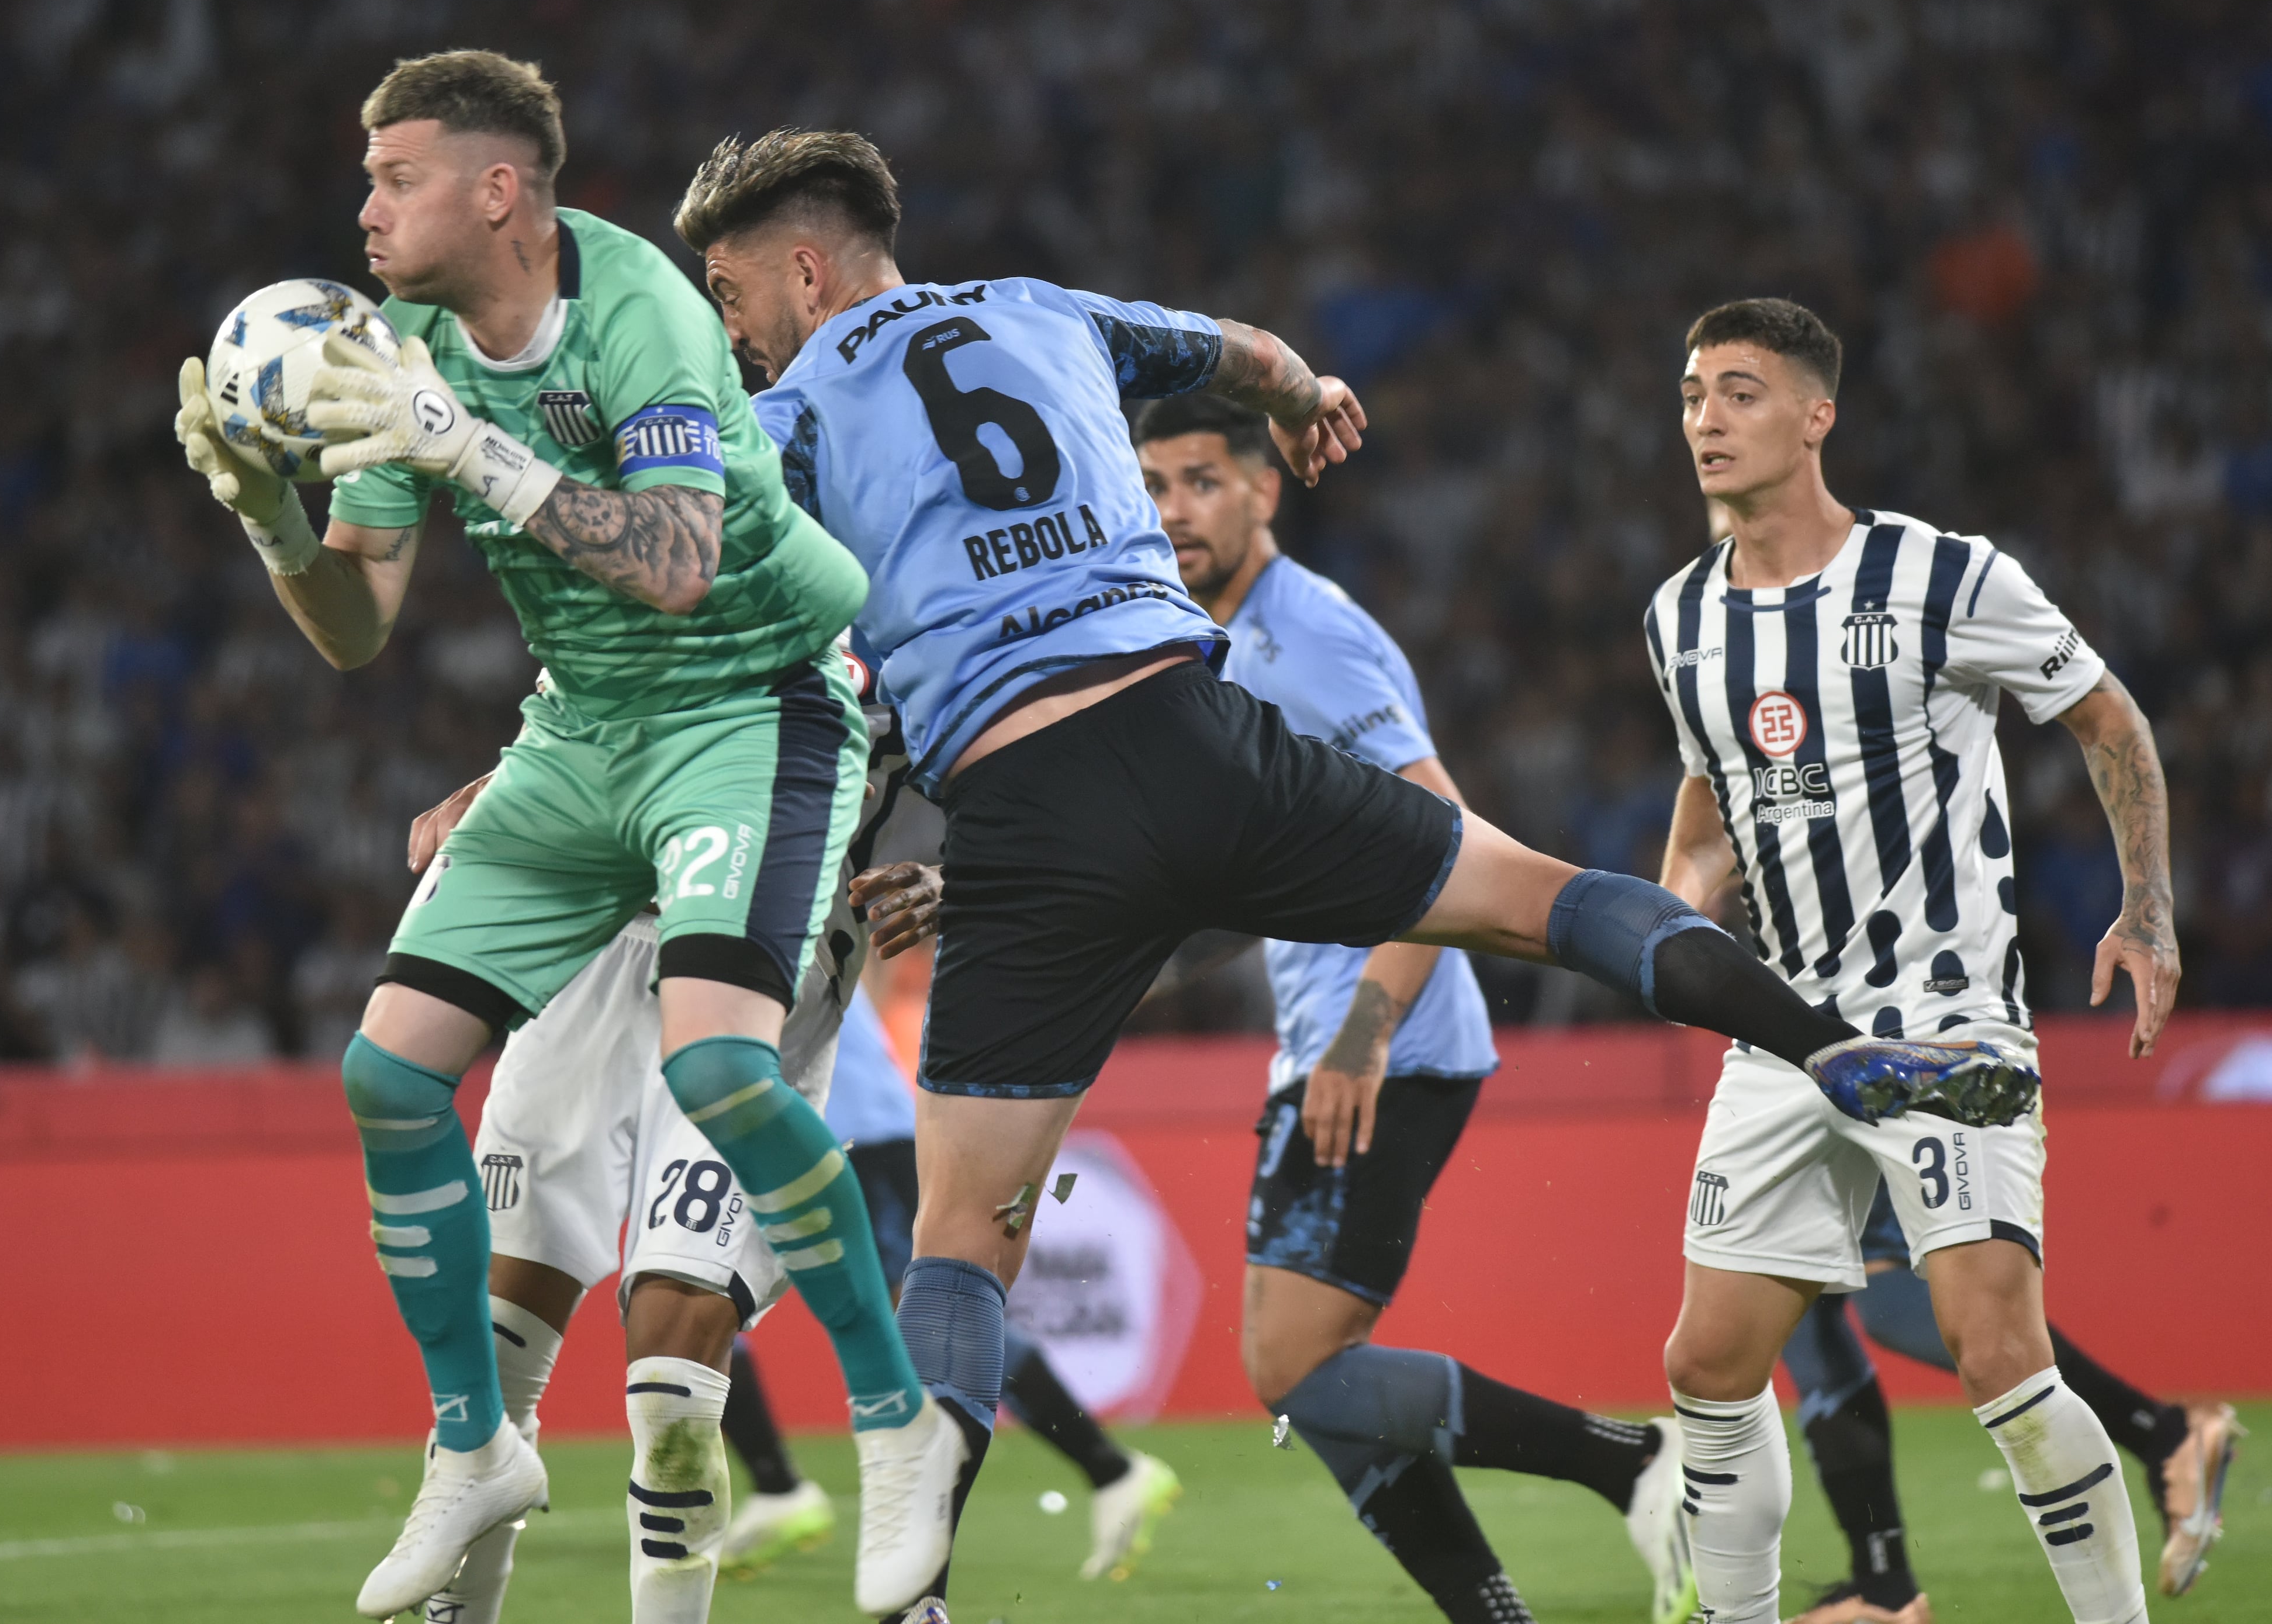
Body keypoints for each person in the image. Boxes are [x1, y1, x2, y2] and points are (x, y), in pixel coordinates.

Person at [682, 129, 2039, 1620]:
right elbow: (1251, 352)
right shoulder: (1044, 309)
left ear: (802, 268)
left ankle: (919, 1588)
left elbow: (700, 601)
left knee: (958, 1236)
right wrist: (1309, 395)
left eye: (732, 291)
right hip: (1200, 733)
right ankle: (1825, 1042)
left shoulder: (788, 412)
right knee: (1535, 892)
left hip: (1019, 807)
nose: (731, 329)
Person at [170, 52, 947, 1622]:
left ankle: (893, 1419)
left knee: (718, 1084)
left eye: (396, 176)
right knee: (388, 1071)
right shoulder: (394, 360)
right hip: (583, 737)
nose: (367, 208)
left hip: (751, 708)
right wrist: (269, 512)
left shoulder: (639, 305)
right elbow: (354, 626)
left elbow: (673, 563)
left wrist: (465, 441)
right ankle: (475, 1450)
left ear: (500, 189)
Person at [1642, 298, 2184, 1624]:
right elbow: (1708, 806)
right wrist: (1677, 905)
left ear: (1817, 416)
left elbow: (2106, 716)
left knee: (1994, 1346)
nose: (1706, 416)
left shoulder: (1945, 575)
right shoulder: (1679, 618)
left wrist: (2147, 907)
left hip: (1945, 1026)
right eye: (1693, 393)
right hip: (1784, 1037)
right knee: (1707, 1361)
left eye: (1741, 391)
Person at [1139, 393, 1694, 1624]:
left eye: (1201, 481)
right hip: (1336, 1040)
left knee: (1288, 1367)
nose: (1175, 509)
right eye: (1156, 485)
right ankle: (1496, 1611)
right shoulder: (1210, 641)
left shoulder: (1310, 639)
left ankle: (1633, 1461)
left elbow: (1438, 834)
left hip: (1383, 1040)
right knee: (1312, 1379)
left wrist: (1359, 1033)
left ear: (1263, 490)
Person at [403, 701, 940, 1624]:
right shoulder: (676, 563)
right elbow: (597, 678)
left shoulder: (924, 602)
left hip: (766, 971)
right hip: (592, 942)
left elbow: (1032, 763)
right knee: (497, 1336)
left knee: (675, 1343)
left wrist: (962, 873)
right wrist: (524, 770)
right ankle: (456, 1611)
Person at [716, 975, 1187, 1585]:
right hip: (794, 1137)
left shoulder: (754, 901)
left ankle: (1111, 1469)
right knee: (703, 1298)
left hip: (854, 1135)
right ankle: (776, 1484)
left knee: (922, 1326)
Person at [1777, 1184, 2243, 1621]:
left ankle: (2164, 1433)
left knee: (1889, 1298)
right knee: (1798, 1302)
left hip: (1857, 1104)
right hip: (1811, 1105)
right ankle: (1883, 1585)